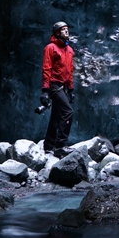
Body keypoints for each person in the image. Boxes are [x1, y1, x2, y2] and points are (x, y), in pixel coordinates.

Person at [40, 20, 74, 155]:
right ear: (57, 33)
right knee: (68, 112)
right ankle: (60, 146)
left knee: (56, 116)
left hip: (62, 87)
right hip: (54, 86)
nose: (67, 31)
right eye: (63, 29)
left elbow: (70, 71)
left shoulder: (69, 50)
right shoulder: (50, 48)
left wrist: (71, 89)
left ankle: (48, 145)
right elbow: (46, 69)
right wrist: (45, 90)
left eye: (67, 29)